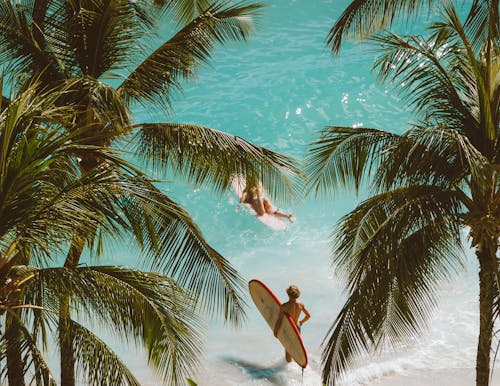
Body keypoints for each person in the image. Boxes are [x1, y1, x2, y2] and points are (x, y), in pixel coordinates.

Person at [273, 285, 311, 362]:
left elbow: (279, 320)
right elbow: (308, 316)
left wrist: (275, 331)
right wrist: (301, 322)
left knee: (288, 348)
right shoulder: (301, 304)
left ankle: (288, 366)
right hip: (297, 326)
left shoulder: (284, 306)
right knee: (294, 346)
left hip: (289, 327)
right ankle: (294, 364)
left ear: (288, 294)